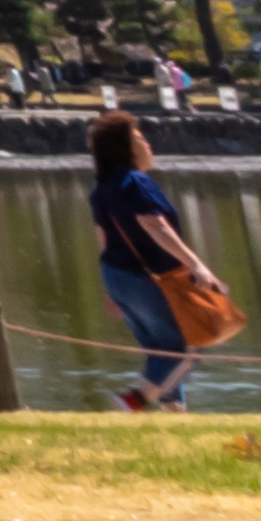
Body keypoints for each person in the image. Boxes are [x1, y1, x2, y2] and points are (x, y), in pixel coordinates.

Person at [94, 111, 217, 413]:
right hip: (145, 276)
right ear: (126, 149)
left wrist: (111, 291)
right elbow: (155, 225)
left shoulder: (102, 188)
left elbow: (103, 238)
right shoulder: (135, 181)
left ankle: (174, 413)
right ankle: (134, 400)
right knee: (187, 345)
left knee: (161, 349)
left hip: (117, 275)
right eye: (139, 139)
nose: (148, 145)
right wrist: (196, 265)